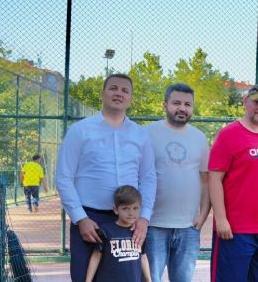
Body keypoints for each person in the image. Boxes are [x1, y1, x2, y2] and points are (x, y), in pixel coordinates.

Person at [56, 73, 156, 282]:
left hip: (128, 220)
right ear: (102, 94)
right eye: (113, 88)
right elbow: (64, 177)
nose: (119, 93)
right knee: (85, 277)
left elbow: (148, 178)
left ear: (130, 98)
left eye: (125, 90)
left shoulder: (141, 135)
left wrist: (144, 218)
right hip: (90, 220)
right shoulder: (79, 131)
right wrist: (80, 219)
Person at [208, 84, 258, 281]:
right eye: (257, 102)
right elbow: (214, 178)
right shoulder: (229, 134)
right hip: (236, 230)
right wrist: (221, 219)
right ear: (245, 102)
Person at [144, 83, 211, 282]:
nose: (182, 108)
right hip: (153, 225)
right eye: (176, 103)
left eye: (187, 104)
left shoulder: (199, 137)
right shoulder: (147, 133)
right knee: (149, 279)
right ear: (165, 105)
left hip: (188, 227)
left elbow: (206, 180)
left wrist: (203, 214)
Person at [86, 185, 152, 282]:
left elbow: (143, 256)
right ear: (116, 210)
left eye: (135, 208)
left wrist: (149, 280)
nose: (131, 213)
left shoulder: (139, 231)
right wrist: (88, 280)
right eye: (125, 208)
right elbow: (96, 256)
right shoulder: (106, 230)